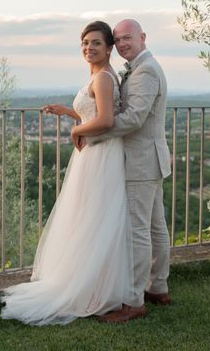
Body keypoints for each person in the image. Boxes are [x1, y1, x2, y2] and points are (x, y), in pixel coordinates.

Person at [0, 21, 134, 326]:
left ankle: (90, 288)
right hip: (96, 153)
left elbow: (105, 121)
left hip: (100, 153)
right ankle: (90, 281)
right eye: (85, 43)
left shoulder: (102, 78)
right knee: (89, 218)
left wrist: (76, 128)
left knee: (94, 218)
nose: (89, 48)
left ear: (109, 47)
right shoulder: (100, 76)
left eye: (96, 43)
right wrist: (70, 112)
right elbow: (93, 113)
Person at [84, 18, 172, 324]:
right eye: (118, 39)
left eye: (127, 38)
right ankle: (158, 287)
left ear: (143, 37)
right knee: (155, 226)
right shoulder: (138, 67)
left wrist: (95, 131)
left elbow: (134, 119)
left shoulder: (146, 69)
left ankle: (134, 302)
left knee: (139, 231)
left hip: (141, 162)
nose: (122, 44)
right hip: (150, 160)